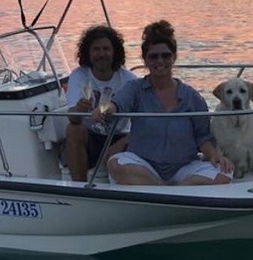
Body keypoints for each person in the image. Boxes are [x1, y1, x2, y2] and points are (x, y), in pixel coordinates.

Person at [95, 20, 233, 185]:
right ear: (145, 60)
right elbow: (117, 104)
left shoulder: (191, 96)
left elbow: (202, 137)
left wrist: (214, 155)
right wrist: (104, 109)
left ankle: (166, 191)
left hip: (184, 167)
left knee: (224, 174)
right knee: (116, 164)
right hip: (143, 164)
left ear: (173, 57)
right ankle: (172, 191)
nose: (160, 61)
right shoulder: (135, 89)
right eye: (153, 56)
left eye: (165, 55)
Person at [64, 25, 139, 182]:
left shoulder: (129, 80)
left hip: (121, 136)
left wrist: (123, 142)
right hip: (92, 137)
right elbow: (73, 119)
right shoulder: (79, 75)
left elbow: (144, 123)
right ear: (88, 53)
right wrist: (79, 109)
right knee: (73, 130)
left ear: (114, 52)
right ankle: (80, 189)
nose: (101, 54)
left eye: (106, 49)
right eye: (96, 49)